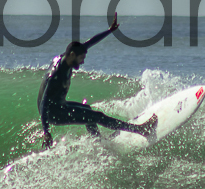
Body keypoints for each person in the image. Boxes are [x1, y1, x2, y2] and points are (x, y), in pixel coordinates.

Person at [37, 13, 157, 149]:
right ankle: (142, 130)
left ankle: (98, 141)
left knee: (88, 110)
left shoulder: (67, 57)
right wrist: (46, 132)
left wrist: (110, 30)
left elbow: (90, 42)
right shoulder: (56, 75)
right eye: (81, 58)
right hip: (53, 113)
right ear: (72, 55)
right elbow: (44, 104)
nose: (82, 62)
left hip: (59, 105)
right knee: (97, 116)